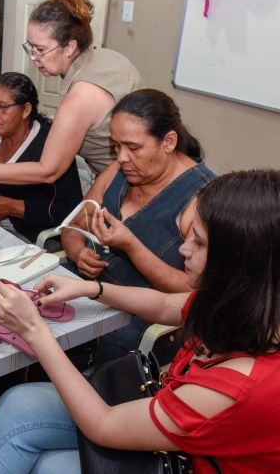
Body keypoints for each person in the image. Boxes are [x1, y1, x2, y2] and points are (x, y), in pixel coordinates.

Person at [0, 169, 280, 474]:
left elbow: (104, 425)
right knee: (20, 403)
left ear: (245, 264)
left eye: (200, 243)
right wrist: (91, 290)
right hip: (194, 446)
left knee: (49, 464)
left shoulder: (238, 388)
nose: (184, 250)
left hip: (192, 461)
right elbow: (163, 305)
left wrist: (34, 332)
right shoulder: (255, 311)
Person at [62, 89, 215, 362]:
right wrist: (78, 254)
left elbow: (194, 293)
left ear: (168, 142)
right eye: (115, 146)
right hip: (86, 291)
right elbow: (73, 225)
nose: (121, 157)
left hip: (140, 317)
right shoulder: (121, 171)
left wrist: (131, 246)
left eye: (132, 148)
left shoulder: (202, 198)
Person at [0, 0, 143, 186]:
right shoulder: (109, 57)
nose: (33, 57)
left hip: (131, 183)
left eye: (41, 50)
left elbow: (47, 171)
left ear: (69, 47)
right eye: (30, 47)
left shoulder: (81, 97)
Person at [0, 72, 81, 243]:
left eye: (2, 107)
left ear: (26, 110)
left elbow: (69, 211)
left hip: (29, 238)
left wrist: (14, 208)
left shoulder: (51, 145)